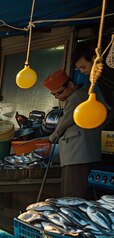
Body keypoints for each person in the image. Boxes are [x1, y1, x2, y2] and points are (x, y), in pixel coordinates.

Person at [44, 69, 104, 199]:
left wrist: (51, 138)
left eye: (59, 92)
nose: (58, 96)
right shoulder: (78, 95)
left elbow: (64, 123)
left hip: (77, 152)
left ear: (71, 85)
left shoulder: (78, 96)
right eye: (54, 95)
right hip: (78, 152)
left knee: (72, 195)